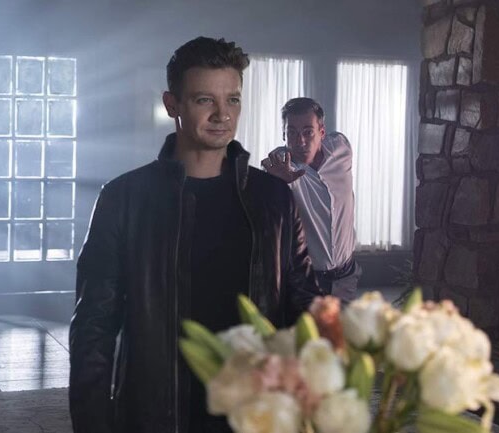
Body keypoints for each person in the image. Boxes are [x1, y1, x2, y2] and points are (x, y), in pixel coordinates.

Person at [69, 37, 320, 433]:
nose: (222, 114)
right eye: (205, 100)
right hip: (157, 416)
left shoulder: (273, 199)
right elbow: (93, 328)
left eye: (232, 100)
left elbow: (304, 306)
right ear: (173, 105)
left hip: (255, 414)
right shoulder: (124, 198)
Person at [262, 97, 360, 304]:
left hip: (346, 277)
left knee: (346, 326)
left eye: (308, 132)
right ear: (284, 135)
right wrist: (277, 181)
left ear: (321, 133)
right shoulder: (283, 167)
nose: (300, 141)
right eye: (292, 133)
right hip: (306, 281)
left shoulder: (341, 148)